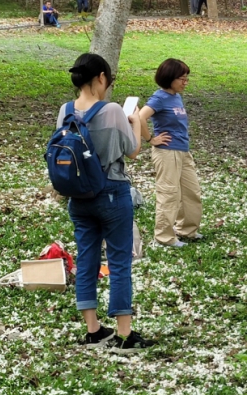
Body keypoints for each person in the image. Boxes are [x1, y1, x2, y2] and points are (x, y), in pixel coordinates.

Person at [59, 53, 155, 353]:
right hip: (112, 192)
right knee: (118, 261)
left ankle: (93, 330)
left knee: (86, 259)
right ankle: (124, 334)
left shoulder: (65, 110)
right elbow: (133, 151)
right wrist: (136, 122)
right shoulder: (113, 110)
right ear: (101, 77)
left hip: (78, 196)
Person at [138, 59, 203, 248]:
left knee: (192, 192)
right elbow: (141, 116)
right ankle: (164, 237)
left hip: (183, 151)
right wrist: (150, 138)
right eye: (181, 78)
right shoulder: (159, 98)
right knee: (169, 194)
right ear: (169, 78)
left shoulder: (176, 96)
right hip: (167, 153)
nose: (185, 82)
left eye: (186, 78)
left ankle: (187, 230)